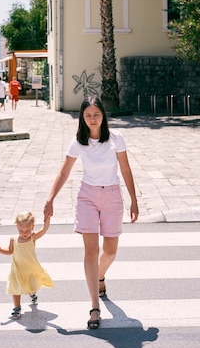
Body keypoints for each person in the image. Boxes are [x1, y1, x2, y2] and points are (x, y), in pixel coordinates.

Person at [43, 95, 139, 330]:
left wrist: (134, 200)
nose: (93, 119)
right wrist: (50, 198)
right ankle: (94, 307)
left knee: (110, 251)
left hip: (112, 195)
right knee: (91, 251)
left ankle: (100, 275)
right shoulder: (78, 141)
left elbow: (126, 170)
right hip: (87, 196)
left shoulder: (117, 138)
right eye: (88, 115)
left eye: (96, 114)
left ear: (103, 115)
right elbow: (64, 171)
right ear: (82, 118)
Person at [0, 210, 54, 320]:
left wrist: (47, 220)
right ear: (17, 227)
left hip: (30, 269)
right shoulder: (14, 239)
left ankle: (32, 294)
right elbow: (10, 251)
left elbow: (44, 230)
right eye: (21, 230)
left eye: (27, 230)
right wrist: (0, 250)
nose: (24, 233)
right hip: (17, 269)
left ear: (32, 227)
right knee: (15, 288)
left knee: (32, 287)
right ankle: (17, 307)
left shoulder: (32, 238)